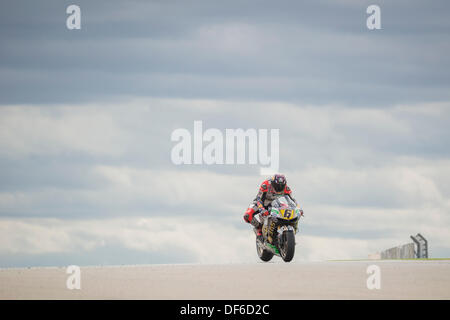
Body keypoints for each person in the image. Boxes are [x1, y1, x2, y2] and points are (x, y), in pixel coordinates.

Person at [243, 174, 301, 240]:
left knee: (289, 213)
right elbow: (258, 199)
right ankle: (259, 228)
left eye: (281, 186)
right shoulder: (265, 185)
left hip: (275, 203)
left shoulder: (286, 188)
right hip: (261, 203)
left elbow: (293, 200)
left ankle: (286, 230)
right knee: (247, 215)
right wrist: (262, 209)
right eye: (277, 186)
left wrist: (298, 208)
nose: (279, 187)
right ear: (272, 183)